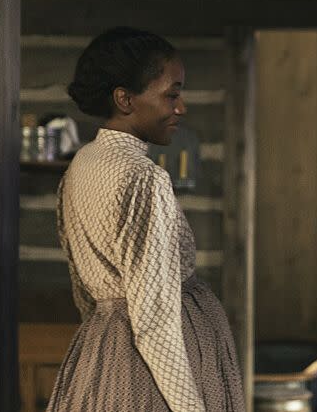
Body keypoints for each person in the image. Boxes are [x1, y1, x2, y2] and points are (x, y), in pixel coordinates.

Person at [47, 28, 245, 412]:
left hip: (105, 349)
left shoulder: (83, 163)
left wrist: (103, 352)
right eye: (171, 94)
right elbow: (154, 318)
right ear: (125, 99)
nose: (180, 107)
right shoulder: (141, 177)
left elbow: (83, 288)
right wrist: (190, 407)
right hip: (153, 372)